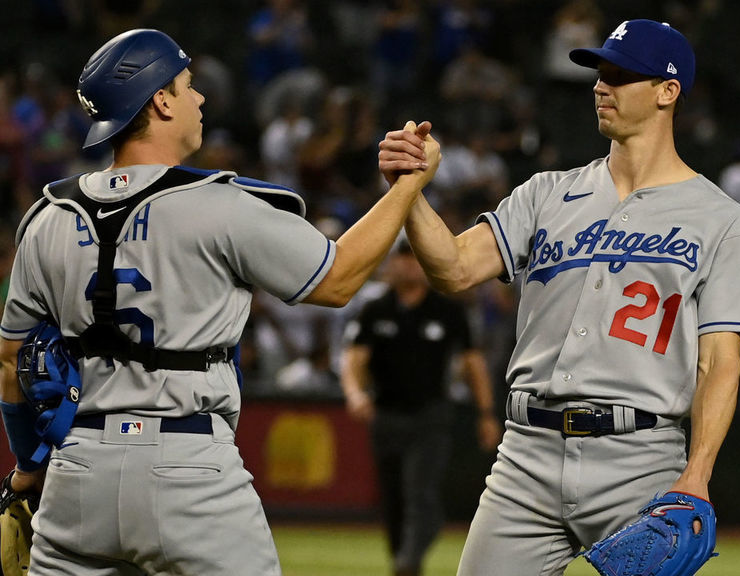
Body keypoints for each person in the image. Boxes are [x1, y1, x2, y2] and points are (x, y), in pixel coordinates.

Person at [0, 28, 439, 576]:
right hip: (185, 465)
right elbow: (338, 279)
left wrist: (27, 468)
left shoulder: (46, 219)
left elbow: (11, 364)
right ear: (160, 100)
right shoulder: (220, 205)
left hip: (76, 470)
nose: (199, 98)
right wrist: (406, 187)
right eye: (187, 86)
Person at [378, 19, 740, 576]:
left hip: (641, 459)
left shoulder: (720, 219)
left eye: (620, 74)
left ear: (667, 91)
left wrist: (697, 475)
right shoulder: (546, 193)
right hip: (525, 456)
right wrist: (410, 192)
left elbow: (719, 362)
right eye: (599, 72)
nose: (599, 85)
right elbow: (455, 268)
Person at [340, 237, 501, 576]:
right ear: (390, 264)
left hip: (431, 417)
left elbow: (473, 364)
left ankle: (407, 563)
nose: (408, 264)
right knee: (394, 500)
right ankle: (404, 556)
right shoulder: (376, 309)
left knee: (419, 491)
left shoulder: (448, 311)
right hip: (386, 415)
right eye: (402, 258)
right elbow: (354, 358)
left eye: (414, 258)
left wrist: (486, 414)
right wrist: (355, 393)